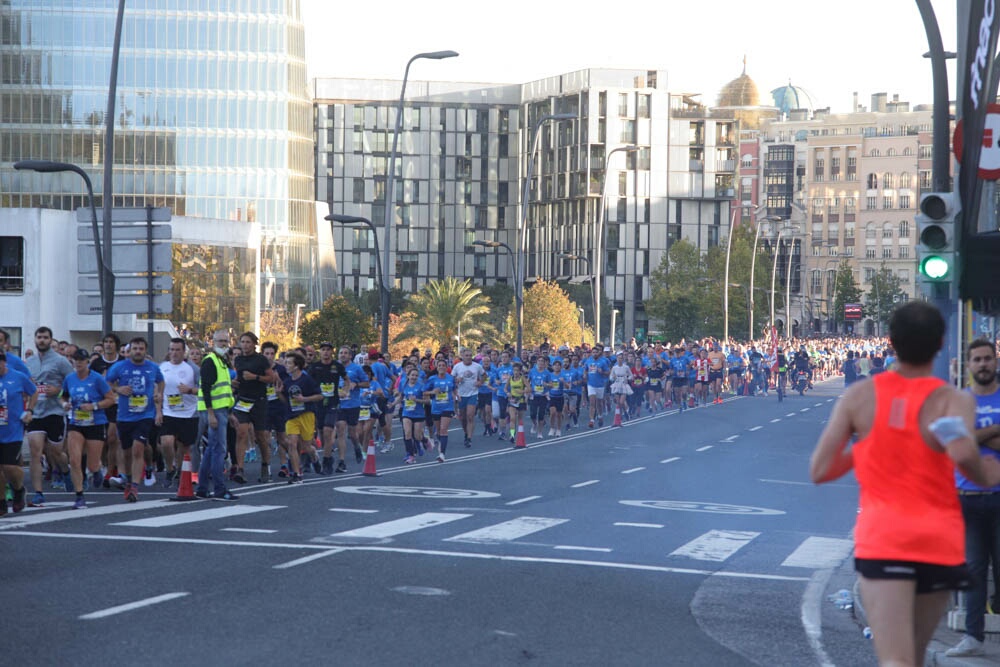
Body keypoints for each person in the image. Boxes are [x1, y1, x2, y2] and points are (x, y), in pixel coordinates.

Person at [810, 302, 1000, 667]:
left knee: (896, 659)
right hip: (936, 542)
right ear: (942, 343)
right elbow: (963, 455)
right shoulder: (953, 400)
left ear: (892, 342)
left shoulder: (860, 397)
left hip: (884, 540)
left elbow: (820, 469)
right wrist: (987, 473)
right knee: (913, 655)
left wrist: (868, 445)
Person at [946, 340, 1000, 658]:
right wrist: (994, 428)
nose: (983, 364)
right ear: (968, 366)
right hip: (967, 496)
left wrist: (974, 434)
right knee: (975, 570)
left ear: (995, 362)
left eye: (987, 359)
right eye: (977, 360)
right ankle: (972, 636)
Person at [107, 337, 164, 503]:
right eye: (135, 348)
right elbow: (107, 383)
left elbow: (161, 381)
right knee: (126, 452)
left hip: (145, 414)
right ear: (129, 351)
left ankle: (134, 486)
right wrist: (118, 389)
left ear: (145, 351)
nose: (138, 351)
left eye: (141, 348)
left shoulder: (152, 367)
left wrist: (159, 394)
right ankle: (128, 478)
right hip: (125, 415)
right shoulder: (120, 367)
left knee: (138, 449)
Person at [60, 349, 115, 508]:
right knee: (75, 459)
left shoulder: (97, 379)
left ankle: (97, 471)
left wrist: (94, 406)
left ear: (87, 362)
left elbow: (110, 399)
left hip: (95, 423)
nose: (78, 363)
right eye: (75, 360)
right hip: (76, 423)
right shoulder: (69, 378)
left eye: (81, 360)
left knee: (92, 464)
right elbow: (63, 395)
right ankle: (79, 495)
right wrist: (65, 404)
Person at [25, 326, 74, 506]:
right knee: (35, 452)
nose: (42, 341)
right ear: (35, 340)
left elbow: (72, 385)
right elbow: (25, 385)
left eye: (45, 337)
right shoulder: (29, 362)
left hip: (55, 411)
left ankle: (65, 471)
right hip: (36, 412)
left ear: (50, 340)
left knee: (56, 452)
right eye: (39, 337)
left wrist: (59, 391)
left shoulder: (61, 361)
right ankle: (38, 492)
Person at [196, 331, 238, 501]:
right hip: (213, 410)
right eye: (220, 341)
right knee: (219, 450)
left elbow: (224, 390)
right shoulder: (211, 361)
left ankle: (202, 488)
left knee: (211, 450)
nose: (223, 344)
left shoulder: (221, 361)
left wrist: (229, 413)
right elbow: (205, 389)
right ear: (213, 342)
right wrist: (212, 414)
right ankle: (219, 490)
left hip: (220, 410)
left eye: (226, 341)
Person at [230, 332, 275, 484]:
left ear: (254, 344)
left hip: (259, 401)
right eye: (243, 342)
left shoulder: (261, 359)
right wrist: (234, 382)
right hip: (243, 400)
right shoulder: (239, 359)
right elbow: (238, 377)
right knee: (241, 433)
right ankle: (240, 469)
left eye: (248, 342)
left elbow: (271, 378)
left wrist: (255, 377)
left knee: (260, 437)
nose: (245, 345)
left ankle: (265, 465)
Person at [158, 338, 200, 488]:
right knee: (166, 442)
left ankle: (180, 474)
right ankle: (170, 468)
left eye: (177, 350)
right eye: (171, 350)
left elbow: (204, 390)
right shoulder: (162, 367)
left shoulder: (192, 369)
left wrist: (189, 390)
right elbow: (157, 391)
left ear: (184, 352)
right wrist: (158, 411)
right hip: (168, 411)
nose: (174, 353)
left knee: (185, 447)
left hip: (189, 413)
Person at [0, 350, 37, 516]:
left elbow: (34, 391)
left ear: (4, 362)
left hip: (13, 429)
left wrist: (29, 410)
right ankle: (1, 502)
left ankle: (19, 489)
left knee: (9, 466)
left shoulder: (17, 376)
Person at [451, 347, 485, 448]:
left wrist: (480, 382)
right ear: (462, 356)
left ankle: (469, 438)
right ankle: (466, 433)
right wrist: (457, 380)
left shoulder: (477, 366)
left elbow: (484, 375)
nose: (469, 357)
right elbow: (451, 379)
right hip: (461, 394)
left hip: (473, 394)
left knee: (470, 416)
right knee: (463, 418)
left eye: (470, 355)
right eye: (466, 355)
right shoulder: (457, 367)